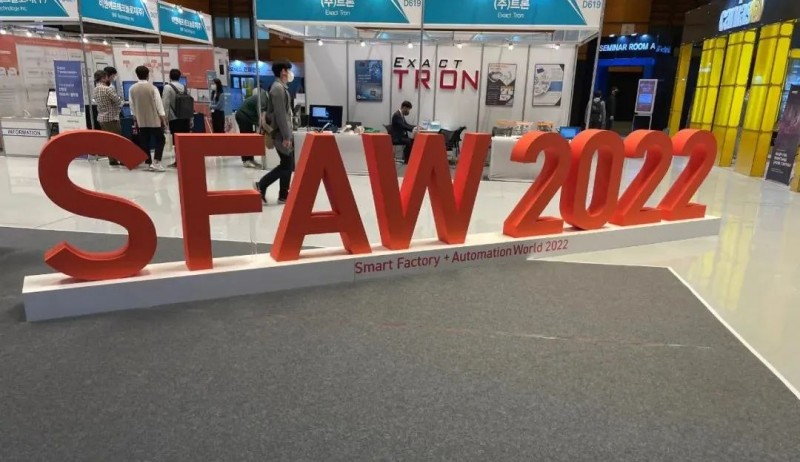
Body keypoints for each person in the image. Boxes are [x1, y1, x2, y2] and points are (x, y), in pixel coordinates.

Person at [254, 60, 295, 205]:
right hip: (280, 133)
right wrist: (286, 136)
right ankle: (262, 185)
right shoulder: (277, 89)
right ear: (283, 71)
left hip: (282, 132)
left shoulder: (281, 87)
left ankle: (283, 195)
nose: (290, 73)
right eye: (288, 69)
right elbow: (280, 114)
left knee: (287, 164)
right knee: (286, 164)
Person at [129, 65, 167, 172]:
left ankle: (148, 162)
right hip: (153, 119)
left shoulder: (132, 89)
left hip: (141, 120)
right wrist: (163, 118)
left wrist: (135, 118)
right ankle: (156, 162)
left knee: (144, 141)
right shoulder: (153, 88)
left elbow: (132, 106)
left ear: (137, 75)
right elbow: (159, 105)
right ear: (148, 75)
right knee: (161, 139)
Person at [162, 69, 192, 168]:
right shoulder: (184, 87)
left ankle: (178, 161)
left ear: (170, 76)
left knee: (177, 141)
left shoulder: (168, 87)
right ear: (179, 77)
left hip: (174, 118)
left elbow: (165, 103)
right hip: (185, 117)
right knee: (185, 141)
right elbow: (189, 104)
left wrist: (164, 119)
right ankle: (185, 160)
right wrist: (191, 118)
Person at [93, 69, 123, 166]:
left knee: (108, 140)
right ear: (103, 78)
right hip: (111, 118)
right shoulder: (107, 89)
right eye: (106, 77)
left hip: (101, 118)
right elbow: (118, 101)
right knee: (117, 140)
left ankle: (112, 160)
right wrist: (120, 100)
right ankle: (121, 159)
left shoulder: (95, 89)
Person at [235, 89, 267, 169]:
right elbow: (260, 115)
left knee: (249, 138)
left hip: (247, 116)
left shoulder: (263, 97)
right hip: (243, 116)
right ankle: (246, 160)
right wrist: (262, 126)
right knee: (246, 139)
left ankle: (250, 159)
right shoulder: (263, 100)